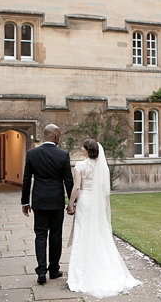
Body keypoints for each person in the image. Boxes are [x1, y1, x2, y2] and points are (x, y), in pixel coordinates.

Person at [67, 139, 141, 298]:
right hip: (98, 203)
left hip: (85, 202)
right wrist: (106, 210)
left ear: (87, 150)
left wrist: (70, 203)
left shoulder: (80, 166)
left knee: (83, 234)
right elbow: (105, 191)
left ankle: (82, 274)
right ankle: (104, 269)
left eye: (83, 146)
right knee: (99, 234)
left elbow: (77, 187)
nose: (81, 148)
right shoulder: (103, 168)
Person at [21, 124, 74, 285]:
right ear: (56, 135)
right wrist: (73, 202)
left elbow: (26, 179)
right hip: (56, 201)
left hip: (39, 201)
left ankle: (41, 271)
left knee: (40, 235)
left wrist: (25, 201)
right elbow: (68, 181)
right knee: (56, 235)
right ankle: (54, 269)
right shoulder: (63, 155)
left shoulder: (32, 154)